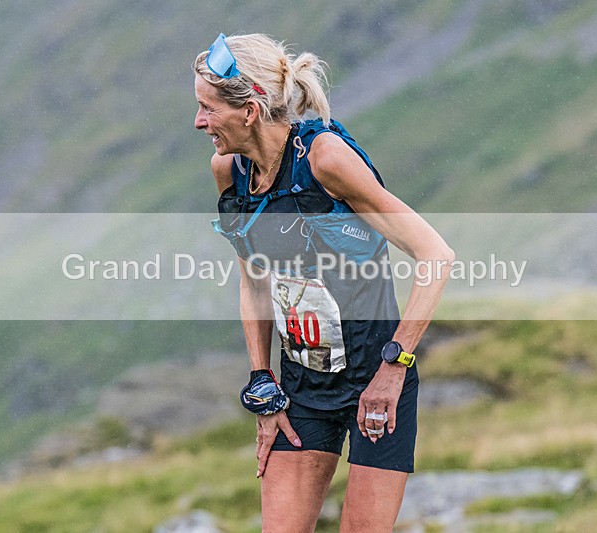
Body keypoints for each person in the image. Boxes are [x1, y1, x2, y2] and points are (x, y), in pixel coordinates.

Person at [193, 33, 454, 532]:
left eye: (208, 109)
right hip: (302, 389)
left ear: (249, 110)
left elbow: (435, 255)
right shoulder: (228, 171)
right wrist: (261, 381)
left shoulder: (325, 159)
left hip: (376, 382)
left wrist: (395, 367)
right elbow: (254, 280)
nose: (199, 122)